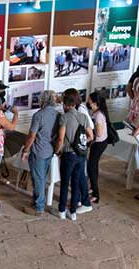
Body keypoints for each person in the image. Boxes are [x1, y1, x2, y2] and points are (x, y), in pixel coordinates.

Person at [54, 88, 94, 221]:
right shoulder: (83, 117)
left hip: (68, 154)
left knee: (65, 183)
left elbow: (60, 138)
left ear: (65, 104)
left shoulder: (64, 117)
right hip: (81, 155)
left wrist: (57, 150)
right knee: (76, 183)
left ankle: (61, 211)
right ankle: (73, 212)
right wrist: (80, 144)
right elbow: (90, 136)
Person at [21, 90, 60, 217]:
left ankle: (39, 207)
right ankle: (36, 201)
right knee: (41, 178)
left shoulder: (38, 115)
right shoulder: (57, 115)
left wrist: (25, 150)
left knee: (38, 179)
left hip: (38, 151)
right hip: (50, 150)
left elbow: (32, 136)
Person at [86, 91, 111, 204]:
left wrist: (89, 137)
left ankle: (96, 194)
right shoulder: (98, 113)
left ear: (94, 102)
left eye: (89, 100)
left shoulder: (98, 116)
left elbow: (99, 134)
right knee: (93, 166)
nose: (88, 102)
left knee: (91, 167)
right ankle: (92, 187)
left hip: (99, 144)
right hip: (100, 143)